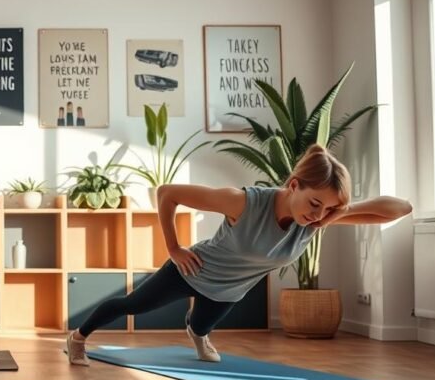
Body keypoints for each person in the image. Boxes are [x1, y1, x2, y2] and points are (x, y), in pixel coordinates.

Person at [64, 144, 414, 366]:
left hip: (229, 290)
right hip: (193, 269)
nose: (319, 214)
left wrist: (339, 211)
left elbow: (401, 208)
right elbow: (167, 192)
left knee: (201, 326)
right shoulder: (243, 202)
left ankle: (197, 333)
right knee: (131, 305)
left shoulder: (314, 220)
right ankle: (78, 338)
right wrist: (173, 247)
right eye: (314, 203)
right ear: (294, 185)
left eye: (328, 208)